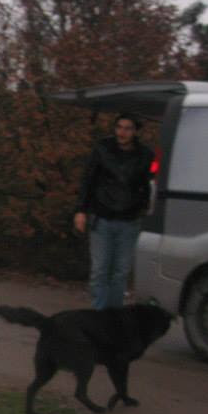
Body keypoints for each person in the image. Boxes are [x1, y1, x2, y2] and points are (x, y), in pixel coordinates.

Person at [73, 112, 154, 310]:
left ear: (135, 131)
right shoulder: (102, 149)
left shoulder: (145, 155)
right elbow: (88, 180)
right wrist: (81, 210)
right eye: (119, 127)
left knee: (120, 272)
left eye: (127, 128)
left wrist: (144, 207)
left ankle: (114, 313)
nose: (122, 132)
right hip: (102, 218)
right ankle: (99, 312)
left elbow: (150, 184)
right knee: (100, 270)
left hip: (129, 220)